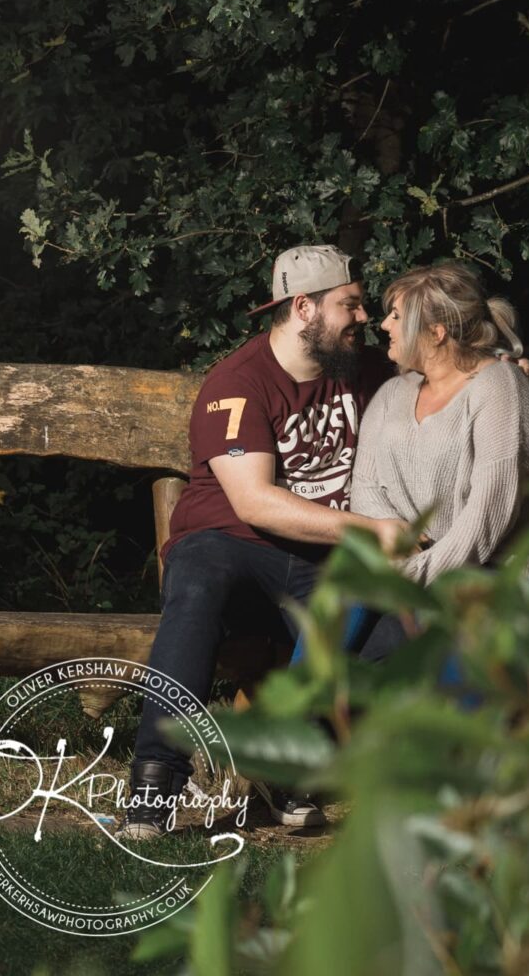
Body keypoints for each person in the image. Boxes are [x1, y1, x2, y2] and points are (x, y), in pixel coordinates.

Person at [122, 244, 409, 840]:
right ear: (304, 308)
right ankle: (155, 784)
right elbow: (254, 502)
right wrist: (372, 530)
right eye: (350, 306)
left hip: (320, 564)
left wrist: (511, 371)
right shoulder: (239, 382)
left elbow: (449, 379)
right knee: (197, 586)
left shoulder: (364, 371)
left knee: (394, 638)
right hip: (232, 546)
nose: (363, 318)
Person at [349, 263, 529, 659]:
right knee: (343, 605)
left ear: (436, 333)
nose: (383, 324)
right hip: (430, 570)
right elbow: (365, 490)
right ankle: (296, 713)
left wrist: (413, 574)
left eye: (397, 316)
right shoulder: (391, 394)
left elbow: (488, 519)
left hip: (509, 576)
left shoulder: (501, 388)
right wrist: (401, 550)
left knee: (392, 649)